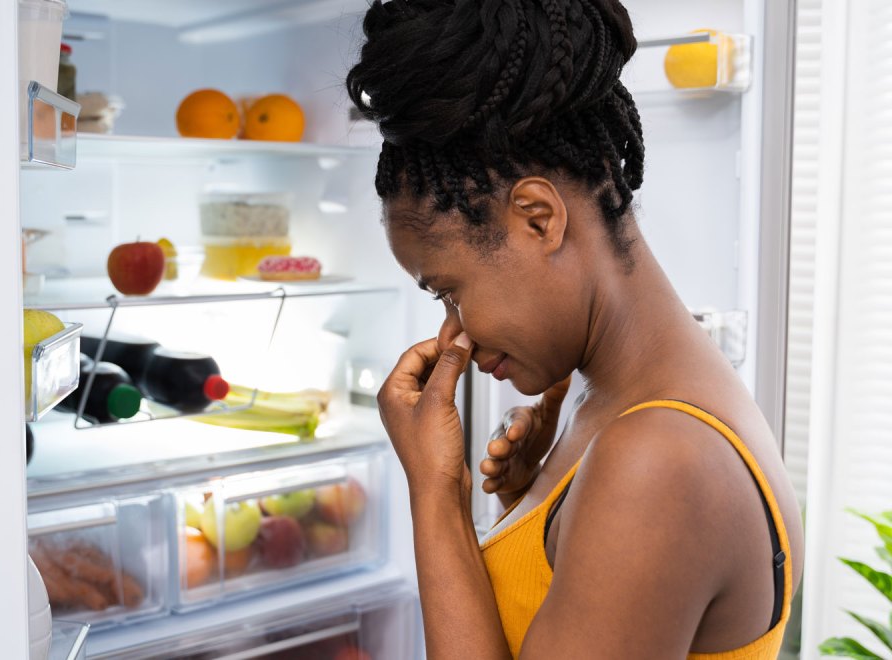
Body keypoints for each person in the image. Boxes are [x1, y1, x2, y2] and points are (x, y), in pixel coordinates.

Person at [345, 0, 805, 657]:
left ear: (538, 217)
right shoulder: (630, 409)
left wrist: (435, 497)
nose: (453, 338)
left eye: (449, 292)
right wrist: (529, 512)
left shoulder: (656, 461)